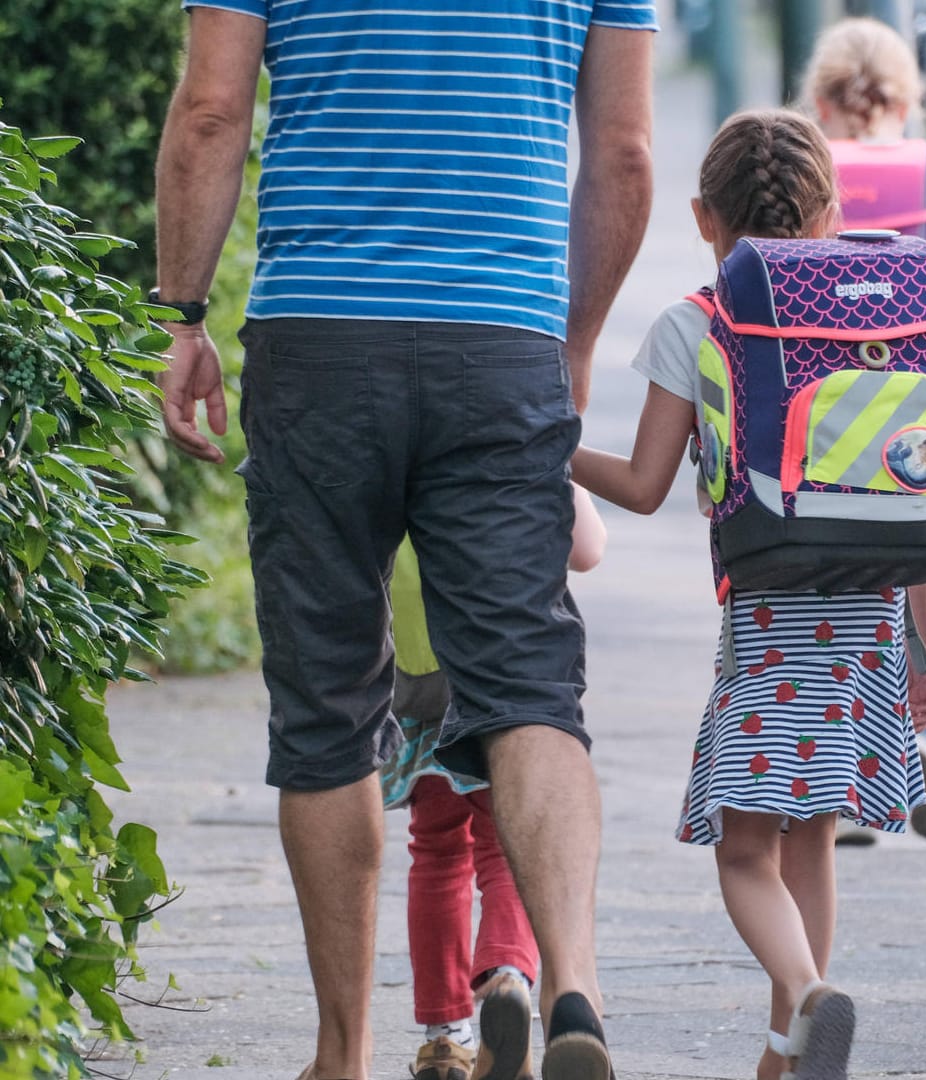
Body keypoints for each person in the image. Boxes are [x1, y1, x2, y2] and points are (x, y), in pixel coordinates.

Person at [150, 3, 656, 1077]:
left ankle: (345, 1053)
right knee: (528, 685)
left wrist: (182, 316)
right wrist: (568, 346)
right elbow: (622, 153)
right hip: (502, 339)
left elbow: (210, 112)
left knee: (329, 702)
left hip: (321, 339)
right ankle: (574, 987)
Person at [570, 109, 926, 1080]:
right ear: (831, 211)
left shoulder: (696, 322)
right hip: (870, 614)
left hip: (771, 613)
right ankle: (788, 1055)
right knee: (812, 840)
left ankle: (810, 997)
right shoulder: (879, 305)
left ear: (704, 216)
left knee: (746, 854)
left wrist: (549, 443)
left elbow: (647, 488)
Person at [802, 17, 926, 843]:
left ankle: (844, 777)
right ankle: (923, 734)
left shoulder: (804, 181)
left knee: (833, 587)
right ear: (908, 102)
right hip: (916, 428)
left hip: (815, 431)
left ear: (821, 101)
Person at [383, 487, 607, 1080]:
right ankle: (509, 974)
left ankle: (444, 1035)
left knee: (433, 851)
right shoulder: (518, 435)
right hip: (502, 680)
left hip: (418, 679)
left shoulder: (400, 442)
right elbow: (587, 550)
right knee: (507, 845)